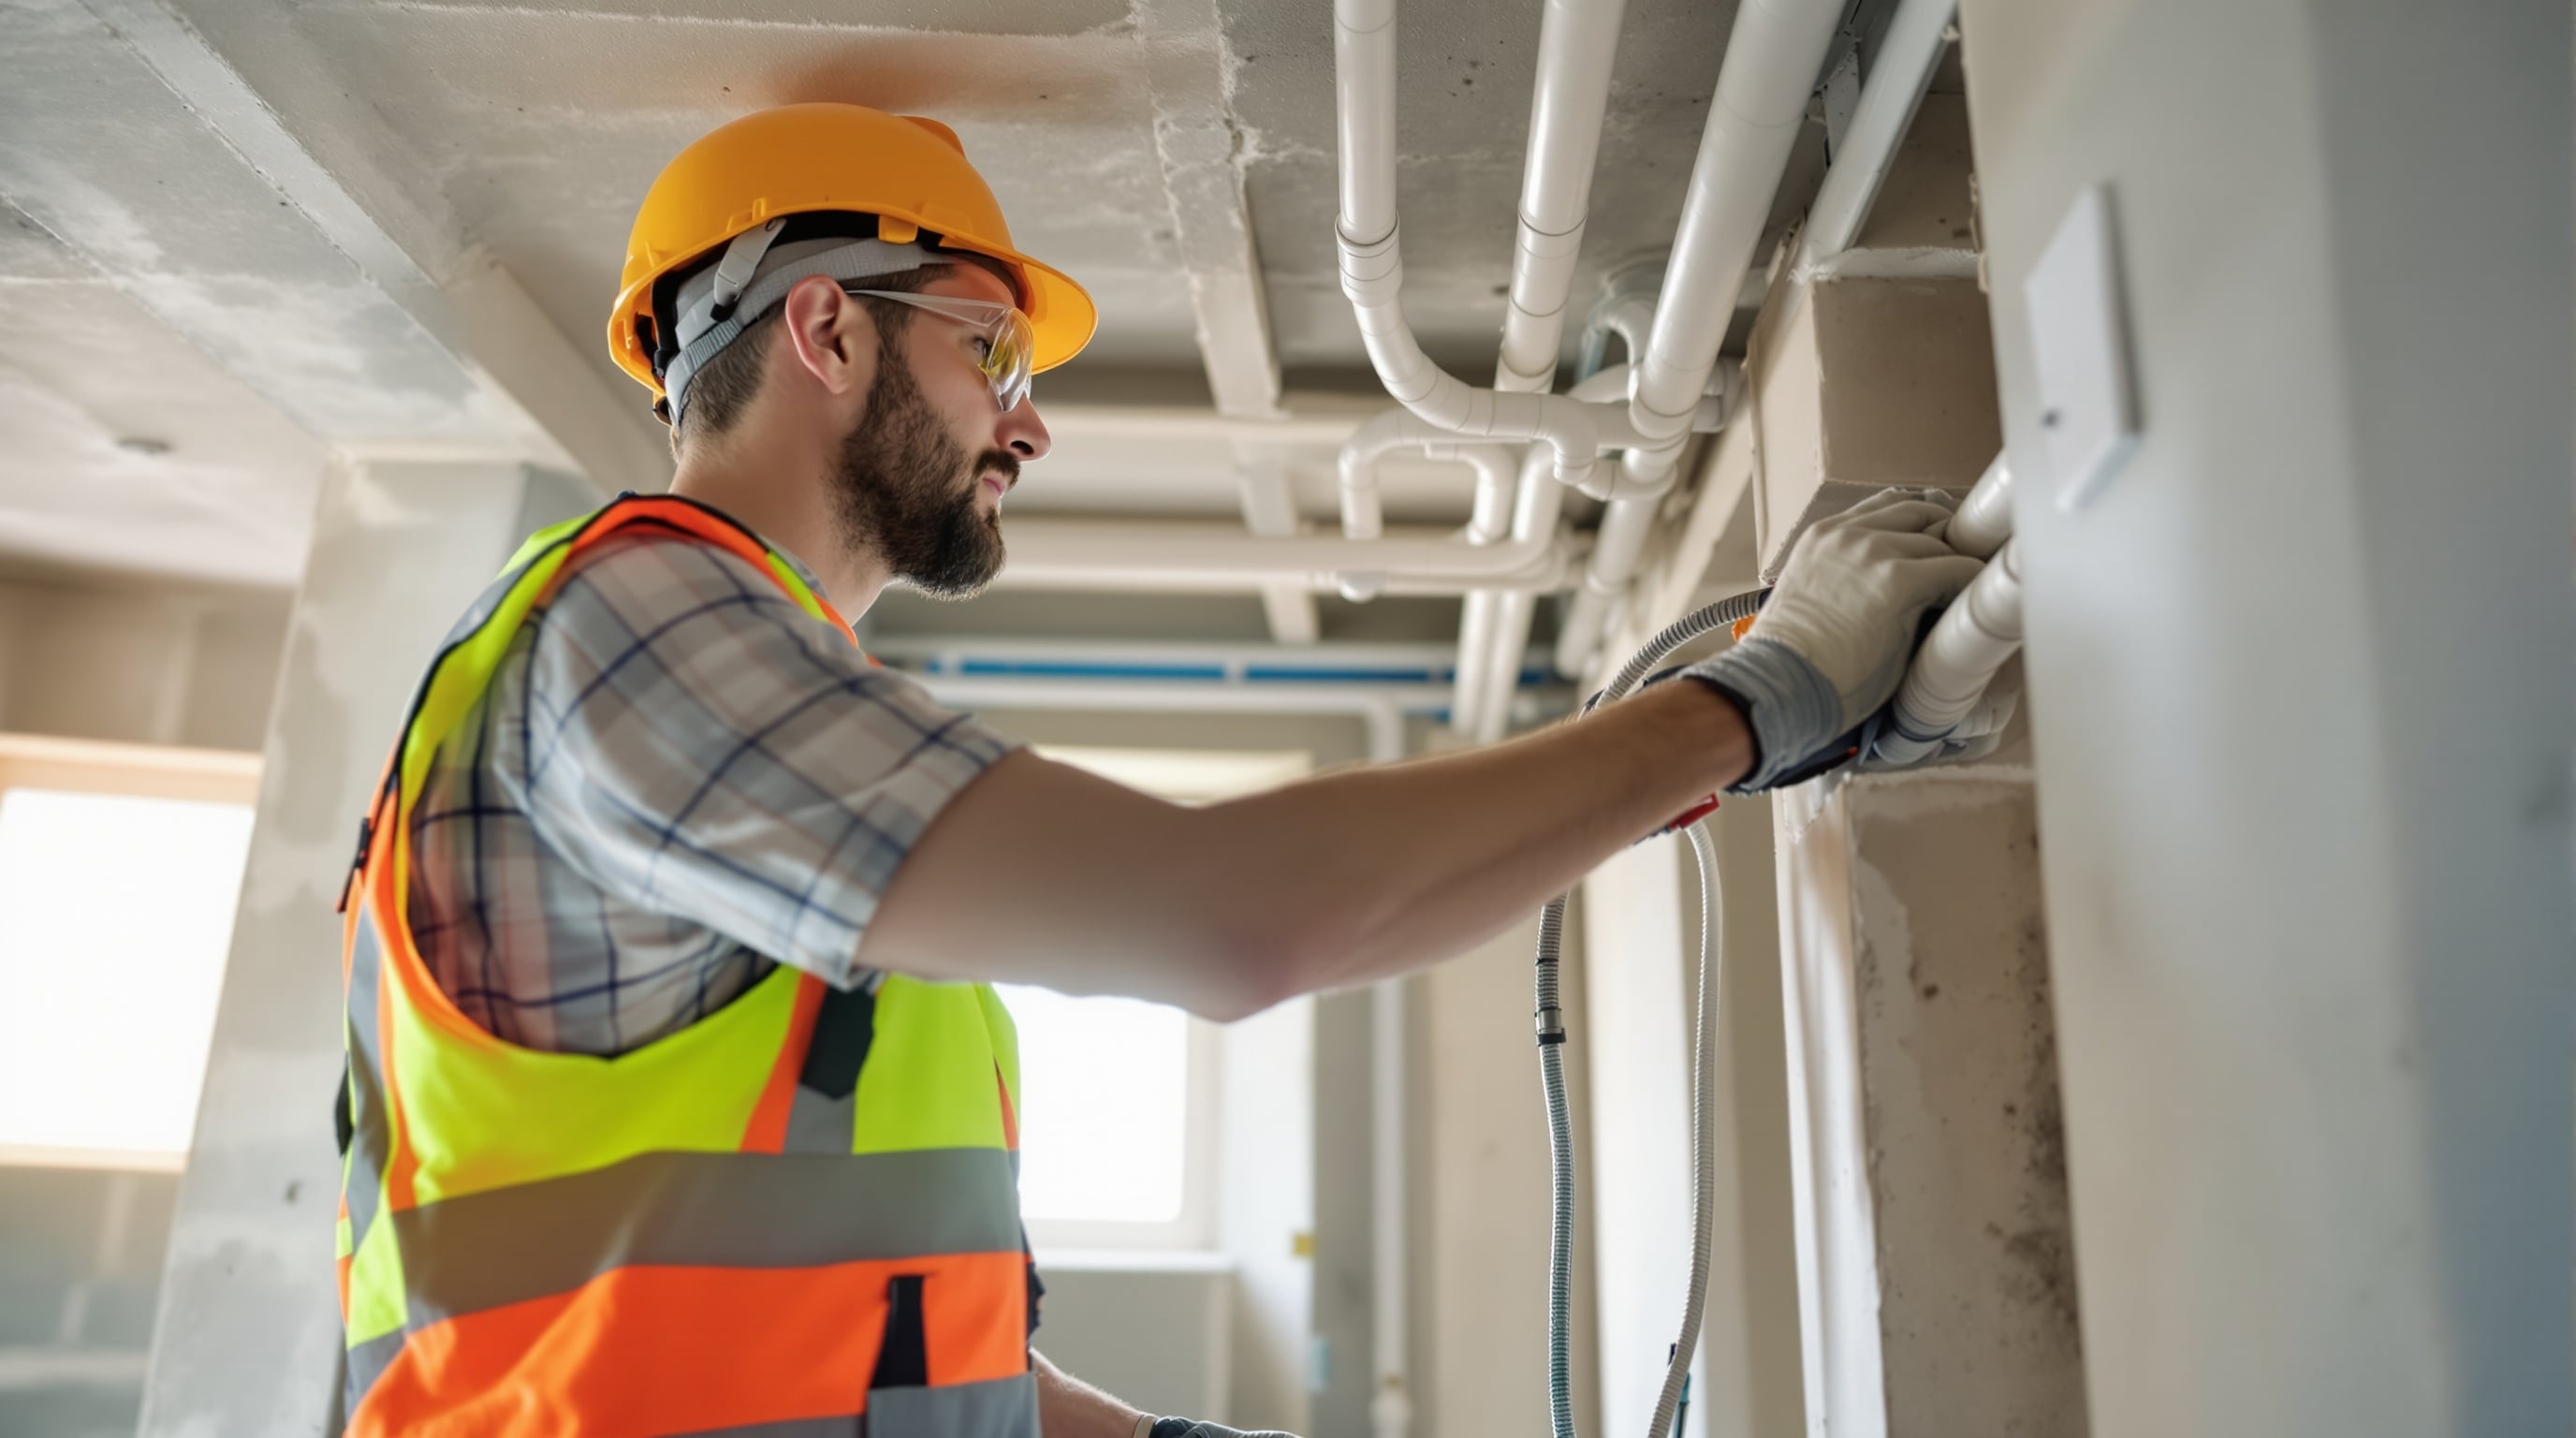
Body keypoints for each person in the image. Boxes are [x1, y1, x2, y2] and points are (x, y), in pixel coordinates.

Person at [327, 103, 1990, 1438]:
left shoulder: (731, 698)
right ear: (824, 327)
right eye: (992, 355)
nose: (1028, 426)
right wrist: (1755, 704)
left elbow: (896, 1357)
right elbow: (1227, 923)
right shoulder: (636, 624)